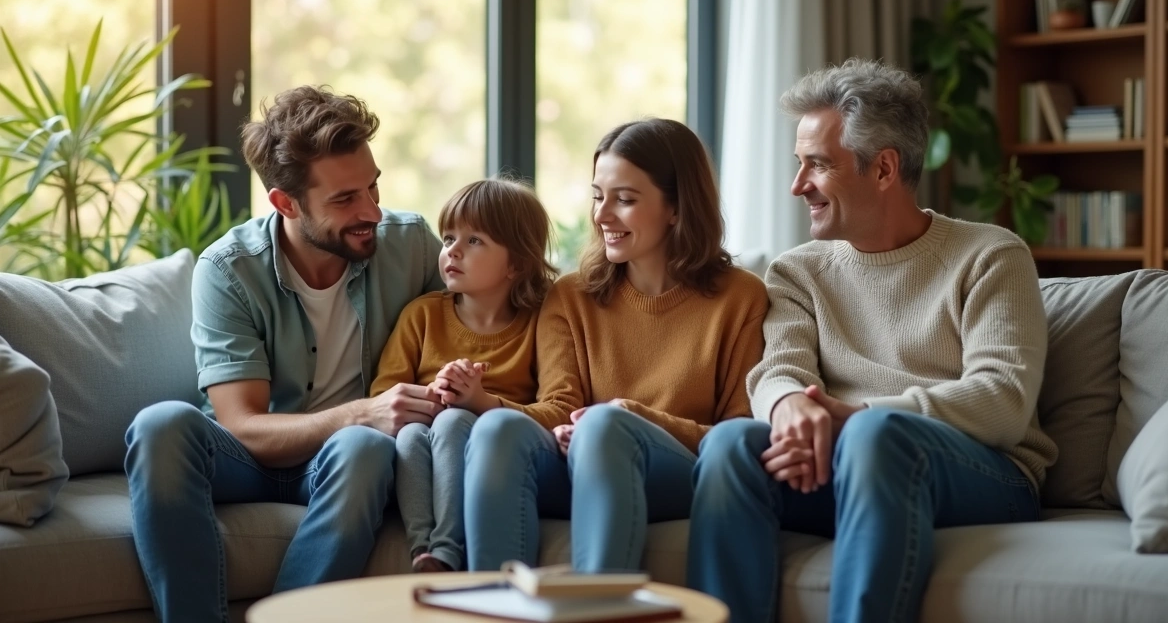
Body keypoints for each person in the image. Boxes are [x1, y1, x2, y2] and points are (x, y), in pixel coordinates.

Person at [686, 59, 1059, 623]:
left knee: (877, 433)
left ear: (883, 169)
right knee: (730, 445)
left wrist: (853, 415)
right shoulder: (797, 272)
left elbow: (1003, 401)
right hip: (843, 461)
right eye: (798, 164)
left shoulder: (990, 256)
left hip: (985, 474)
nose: (797, 186)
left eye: (817, 165)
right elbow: (777, 370)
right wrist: (790, 407)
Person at [124, 86, 447, 621]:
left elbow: (494, 317)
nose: (371, 210)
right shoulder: (228, 269)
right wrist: (362, 412)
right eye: (345, 199)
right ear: (285, 202)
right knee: (160, 425)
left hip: (345, 462)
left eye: (372, 186)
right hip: (247, 459)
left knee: (365, 449)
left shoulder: (410, 245)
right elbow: (244, 426)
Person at [451, 118, 769, 573]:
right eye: (598, 196)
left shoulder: (742, 297)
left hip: (682, 472)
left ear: (676, 207)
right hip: (583, 459)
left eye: (625, 199)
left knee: (604, 428)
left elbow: (738, 438)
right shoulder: (570, 295)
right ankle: (495, 607)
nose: (601, 216)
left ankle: (597, 606)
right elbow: (560, 406)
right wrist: (498, 407)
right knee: (496, 428)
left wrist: (628, 418)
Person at [369, 177, 557, 573]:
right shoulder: (421, 314)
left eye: (474, 241)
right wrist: (434, 394)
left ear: (518, 263)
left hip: (502, 454)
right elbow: (384, 394)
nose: (452, 250)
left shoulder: (541, 321)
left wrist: (479, 402)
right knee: (411, 433)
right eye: (449, 237)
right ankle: (425, 550)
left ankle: (448, 547)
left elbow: (556, 408)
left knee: (456, 421)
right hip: (426, 436)